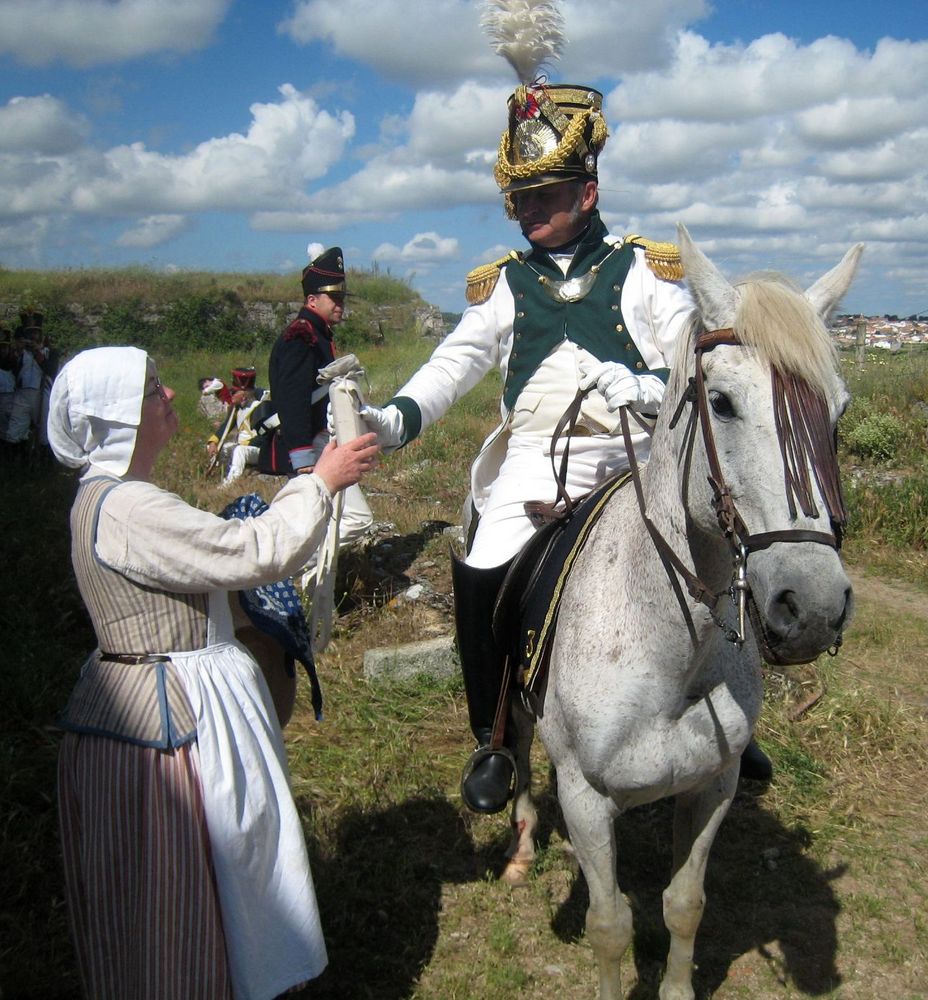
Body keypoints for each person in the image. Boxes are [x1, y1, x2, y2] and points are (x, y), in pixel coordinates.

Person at [358, 79, 771, 813]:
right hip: (537, 460)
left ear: (588, 191)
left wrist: (646, 387)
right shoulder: (506, 283)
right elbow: (453, 365)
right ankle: (494, 737)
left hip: (634, 453)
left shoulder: (642, 267)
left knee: (726, 546)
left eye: (543, 195)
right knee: (484, 565)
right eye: (519, 200)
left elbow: (683, 354)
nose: (527, 212)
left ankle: (736, 710)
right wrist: (393, 419)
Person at [47, 345, 379, 999]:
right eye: (153, 390)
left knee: (170, 892)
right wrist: (322, 481)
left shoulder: (115, 497)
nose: (169, 396)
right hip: (172, 728)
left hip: (149, 707)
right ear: (121, 416)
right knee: (187, 885)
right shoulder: (124, 506)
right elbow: (254, 551)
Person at [263, 247, 374, 578]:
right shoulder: (302, 335)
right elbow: (293, 400)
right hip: (309, 447)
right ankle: (289, 570)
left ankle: (303, 578)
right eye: (332, 298)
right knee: (355, 519)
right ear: (312, 300)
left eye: (341, 298)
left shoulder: (317, 333)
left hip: (319, 443)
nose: (340, 304)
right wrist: (302, 459)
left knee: (321, 517)